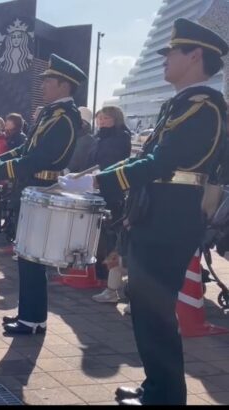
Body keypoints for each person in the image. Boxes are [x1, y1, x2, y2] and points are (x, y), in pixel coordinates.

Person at [60, 18, 229, 406]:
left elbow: (163, 160)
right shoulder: (185, 103)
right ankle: (158, 388)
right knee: (147, 309)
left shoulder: (203, 106)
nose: (165, 60)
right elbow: (154, 158)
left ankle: (165, 396)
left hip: (170, 217)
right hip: (159, 213)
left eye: (172, 53)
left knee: (155, 312)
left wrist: (101, 181)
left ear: (196, 55)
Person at [0, 54, 85, 335]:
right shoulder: (51, 114)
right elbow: (25, 151)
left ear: (64, 85)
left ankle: (33, 319)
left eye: (48, 80)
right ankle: (29, 315)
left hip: (41, 185)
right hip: (31, 186)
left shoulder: (64, 117)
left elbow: (41, 157)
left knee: (32, 256)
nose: (43, 84)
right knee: (27, 254)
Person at [87, 106, 132, 302]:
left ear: (115, 119)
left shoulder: (121, 136)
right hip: (97, 186)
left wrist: (101, 176)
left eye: (105, 118)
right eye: (99, 118)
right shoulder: (100, 137)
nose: (101, 121)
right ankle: (100, 273)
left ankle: (110, 281)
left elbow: (116, 162)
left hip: (112, 190)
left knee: (110, 235)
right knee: (100, 234)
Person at [67, 107, 97, 173]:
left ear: (86, 124)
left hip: (76, 178)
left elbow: (75, 164)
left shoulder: (86, 140)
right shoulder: (74, 137)